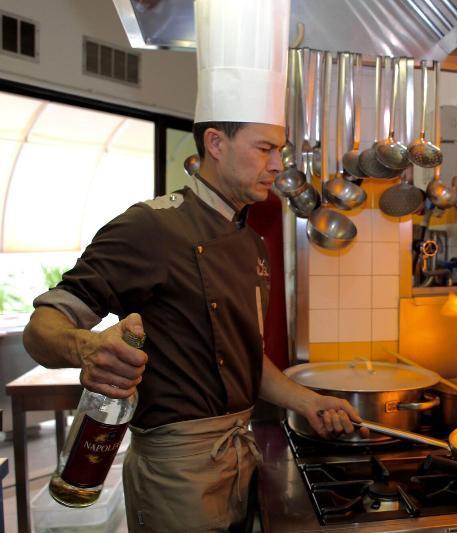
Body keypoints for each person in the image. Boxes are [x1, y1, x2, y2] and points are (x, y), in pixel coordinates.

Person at [23, 1, 360, 530]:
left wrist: (308, 400)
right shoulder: (151, 227)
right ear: (216, 143)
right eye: (266, 149)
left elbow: (244, 360)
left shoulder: (250, 242)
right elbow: (41, 329)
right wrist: (88, 346)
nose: (278, 165)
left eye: (282, 151)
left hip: (239, 455)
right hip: (175, 472)